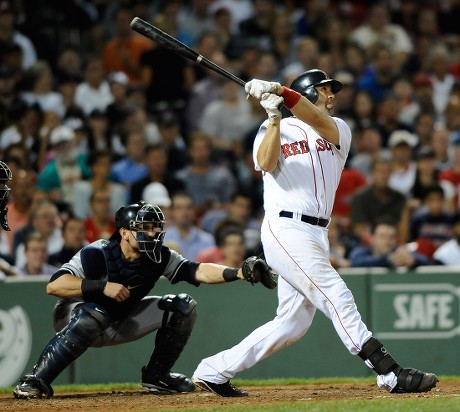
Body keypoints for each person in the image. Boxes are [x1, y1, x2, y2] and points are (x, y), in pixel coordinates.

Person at [192, 70, 438, 396]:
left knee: (293, 323)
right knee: (336, 293)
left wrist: (280, 91)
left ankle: (213, 370)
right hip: (285, 227)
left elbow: (313, 117)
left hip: (317, 233)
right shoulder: (275, 128)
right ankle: (388, 372)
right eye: (324, 90)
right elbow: (265, 163)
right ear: (308, 92)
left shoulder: (339, 130)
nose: (332, 95)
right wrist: (273, 116)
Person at [12, 201, 272, 399]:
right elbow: (54, 285)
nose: (153, 233)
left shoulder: (159, 255)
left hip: (121, 318)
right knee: (95, 313)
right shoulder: (96, 253)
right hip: (74, 317)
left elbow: (198, 270)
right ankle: (35, 380)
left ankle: (157, 377)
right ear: (124, 232)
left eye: (155, 227)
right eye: (145, 228)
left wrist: (238, 272)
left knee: (183, 306)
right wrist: (102, 287)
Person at [349, 220, 430, 269]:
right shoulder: (364, 250)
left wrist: (414, 260)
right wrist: (387, 259)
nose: (387, 241)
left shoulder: (398, 250)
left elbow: (426, 260)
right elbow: (356, 261)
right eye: (382, 236)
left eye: (391, 237)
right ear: (373, 238)